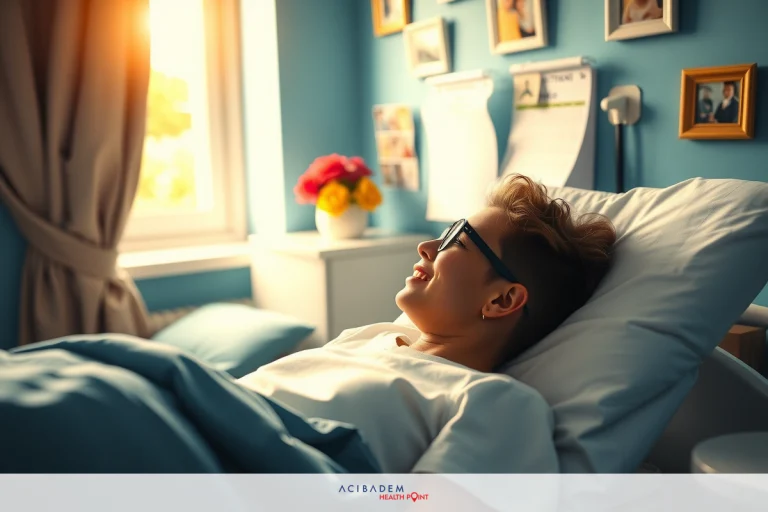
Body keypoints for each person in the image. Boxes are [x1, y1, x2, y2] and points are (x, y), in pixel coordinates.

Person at [239, 174, 617, 473]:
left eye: (456, 240)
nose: (427, 247)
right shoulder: (371, 336)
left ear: (502, 300)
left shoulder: (496, 403)